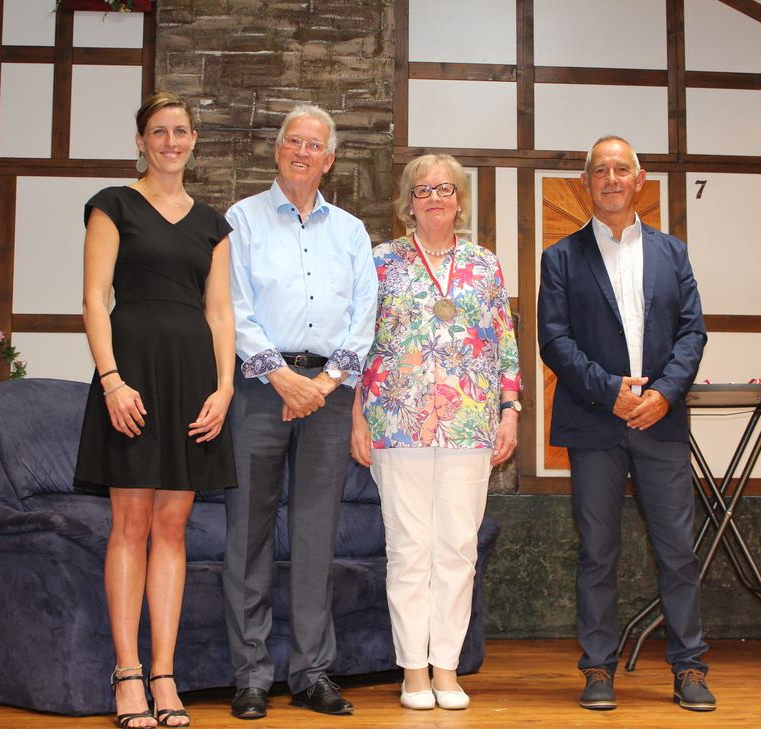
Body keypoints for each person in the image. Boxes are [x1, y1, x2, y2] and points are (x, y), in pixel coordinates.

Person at [73, 90, 237, 728]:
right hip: (131, 375)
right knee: (131, 525)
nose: (171, 141)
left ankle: (165, 676)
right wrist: (112, 381)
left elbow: (220, 313)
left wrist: (224, 389)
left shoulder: (213, 224)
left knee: (173, 529)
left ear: (194, 141)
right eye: (159, 131)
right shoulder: (112, 205)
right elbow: (93, 299)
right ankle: (128, 676)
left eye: (181, 131)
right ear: (140, 141)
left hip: (193, 381)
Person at [537, 135, 715, 712]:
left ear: (640, 180)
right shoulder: (561, 257)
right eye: (599, 171)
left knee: (678, 552)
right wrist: (610, 392)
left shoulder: (674, 253)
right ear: (585, 184)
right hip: (596, 423)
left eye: (622, 169)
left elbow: (693, 333)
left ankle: (689, 669)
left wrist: (662, 394)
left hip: (660, 421)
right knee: (598, 551)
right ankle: (597, 669)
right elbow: (554, 341)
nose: (611, 179)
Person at [350, 153, 521, 711]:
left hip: (470, 424)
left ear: (460, 200)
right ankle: (414, 671)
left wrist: (511, 408)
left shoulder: (486, 265)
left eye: (445, 189)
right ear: (407, 201)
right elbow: (359, 343)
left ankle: (446, 667)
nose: (435, 199)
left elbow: (504, 342)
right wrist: (356, 414)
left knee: (457, 549)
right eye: (423, 190)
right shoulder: (380, 262)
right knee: (408, 549)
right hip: (396, 424)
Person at [222, 104, 377, 720]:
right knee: (249, 536)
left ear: (329, 159)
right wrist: (284, 379)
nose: (303, 152)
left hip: (330, 394)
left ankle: (312, 672)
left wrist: (328, 381)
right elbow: (232, 306)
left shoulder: (352, 231)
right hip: (263, 389)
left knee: (316, 535)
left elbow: (365, 312)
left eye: (315, 145)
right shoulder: (243, 219)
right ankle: (251, 676)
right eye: (294, 142)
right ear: (278, 150)